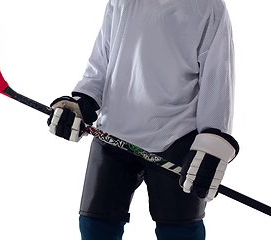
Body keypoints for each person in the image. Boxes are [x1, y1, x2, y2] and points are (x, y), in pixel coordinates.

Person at [47, 0, 240, 239]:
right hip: (113, 134)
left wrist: (212, 138)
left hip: (176, 137)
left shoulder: (208, 6)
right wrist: (82, 103)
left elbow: (217, 76)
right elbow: (103, 58)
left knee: (180, 233)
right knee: (94, 227)